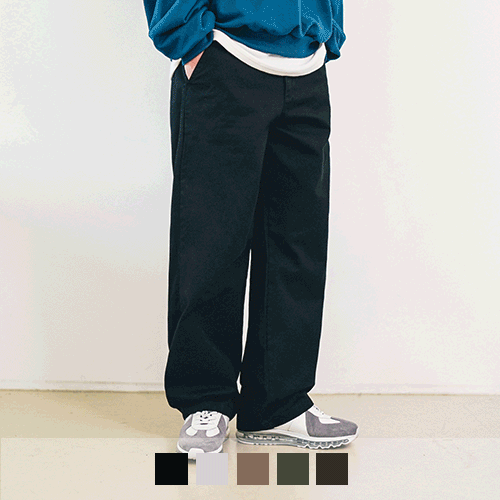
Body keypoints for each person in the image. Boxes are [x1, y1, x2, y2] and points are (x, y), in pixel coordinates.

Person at [143, 0, 358, 460]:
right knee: (211, 241)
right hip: (224, 57)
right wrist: (189, 41)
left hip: (305, 66)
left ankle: (277, 404)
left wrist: (328, 31)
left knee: (296, 245)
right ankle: (205, 400)